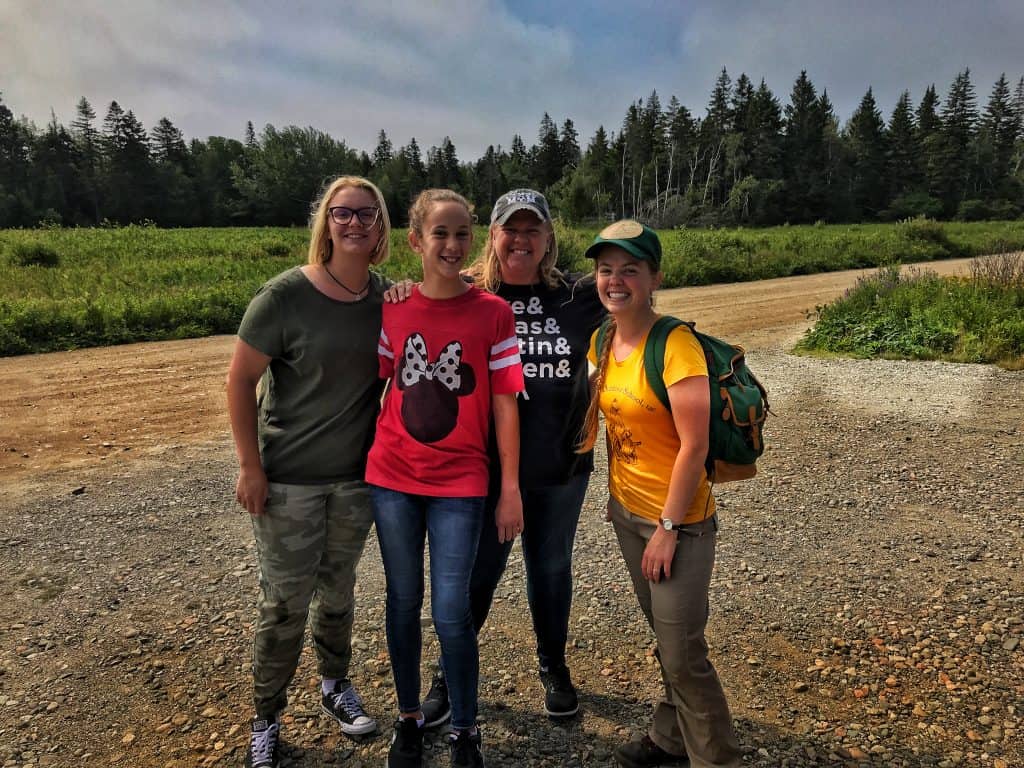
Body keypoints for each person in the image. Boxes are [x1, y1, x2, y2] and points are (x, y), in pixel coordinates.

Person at [227, 175, 397, 768]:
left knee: (339, 594)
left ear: (381, 227)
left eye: (366, 215)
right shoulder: (284, 297)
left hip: (356, 481)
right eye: (342, 213)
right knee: (283, 605)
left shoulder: (387, 300)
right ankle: (265, 718)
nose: (354, 223)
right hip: (289, 482)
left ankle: (334, 686)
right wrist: (251, 466)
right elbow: (239, 381)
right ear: (325, 222)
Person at [418, 188, 604, 727]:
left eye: (532, 230)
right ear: (493, 237)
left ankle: (554, 667)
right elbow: (410, 303)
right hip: (484, 471)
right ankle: (446, 677)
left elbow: (632, 288)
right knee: (475, 575)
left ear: (548, 238)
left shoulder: (579, 296)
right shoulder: (464, 293)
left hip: (558, 466)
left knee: (550, 570)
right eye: (510, 229)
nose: (520, 239)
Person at [366, 189, 525, 768]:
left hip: (463, 482)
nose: (453, 245)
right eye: (440, 234)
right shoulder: (393, 308)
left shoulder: (493, 313)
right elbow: (376, 384)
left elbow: (507, 403)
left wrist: (509, 489)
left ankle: (463, 727)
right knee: (402, 601)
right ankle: (408, 719)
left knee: (452, 610)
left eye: (462, 233)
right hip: (393, 477)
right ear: (416, 241)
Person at [578, 220, 742, 768]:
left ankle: (715, 759)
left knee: (683, 654)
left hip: (679, 523)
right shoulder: (603, 339)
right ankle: (670, 739)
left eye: (630, 270)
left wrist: (668, 530)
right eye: (606, 270)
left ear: (654, 278)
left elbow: (694, 447)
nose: (615, 280)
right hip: (628, 514)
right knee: (670, 640)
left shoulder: (675, 345)